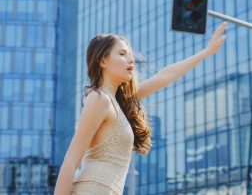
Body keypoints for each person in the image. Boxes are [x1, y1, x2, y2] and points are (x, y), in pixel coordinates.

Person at [54, 21, 228, 194]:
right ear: (103, 61)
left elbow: (163, 77)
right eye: (122, 54)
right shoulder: (99, 99)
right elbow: (71, 161)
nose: (131, 59)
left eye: (130, 54)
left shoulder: (119, 103)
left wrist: (206, 52)